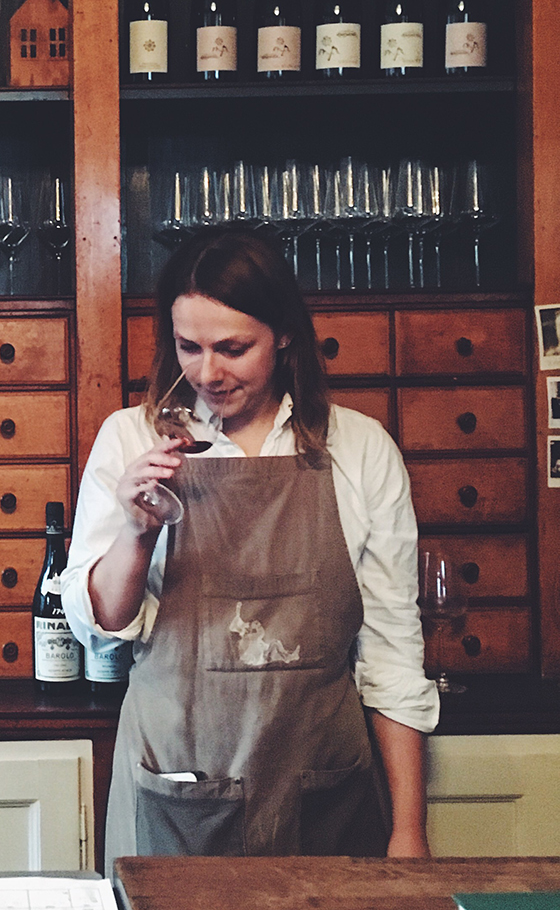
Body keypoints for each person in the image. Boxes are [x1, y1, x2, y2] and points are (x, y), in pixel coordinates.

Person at [61, 228, 438, 866]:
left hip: (324, 789)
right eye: (188, 347)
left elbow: (393, 651)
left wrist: (409, 831)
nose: (207, 373)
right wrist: (135, 531)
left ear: (284, 334)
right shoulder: (129, 438)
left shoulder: (360, 448)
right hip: (178, 785)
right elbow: (99, 628)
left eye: (233, 349)